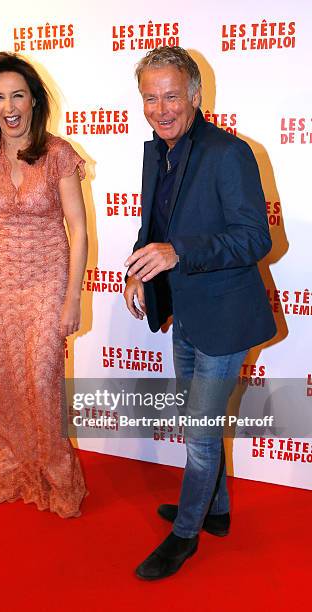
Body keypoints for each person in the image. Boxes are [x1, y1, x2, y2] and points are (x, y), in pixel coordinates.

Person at [124, 46, 276, 579]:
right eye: (150, 98)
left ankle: (184, 535)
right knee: (202, 426)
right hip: (184, 312)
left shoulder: (228, 153)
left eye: (170, 96)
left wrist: (179, 252)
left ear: (195, 95)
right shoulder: (157, 151)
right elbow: (157, 229)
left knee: (199, 431)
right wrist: (139, 269)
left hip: (226, 317)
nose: (160, 109)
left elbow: (255, 238)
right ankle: (217, 509)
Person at [0, 52, 87, 518]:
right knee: (6, 379)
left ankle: (58, 481)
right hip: (2, 281)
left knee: (43, 378)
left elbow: (78, 228)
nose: (9, 107)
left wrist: (73, 298)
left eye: (17, 96)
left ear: (33, 101)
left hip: (49, 277)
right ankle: (12, 471)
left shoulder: (57, 154)